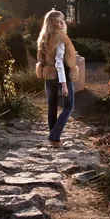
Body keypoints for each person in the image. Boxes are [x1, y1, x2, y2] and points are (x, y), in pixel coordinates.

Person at [36, 10, 79, 148]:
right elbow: (59, 63)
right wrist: (64, 85)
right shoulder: (60, 38)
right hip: (62, 75)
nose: (61, 24)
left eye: (62, 21)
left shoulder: (45, 37)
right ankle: (54, 136)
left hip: (48, 75)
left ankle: (54, 140)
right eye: (58, 22)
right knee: (69, 105)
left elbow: (42, 58)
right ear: (51, 23)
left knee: (52, 106)